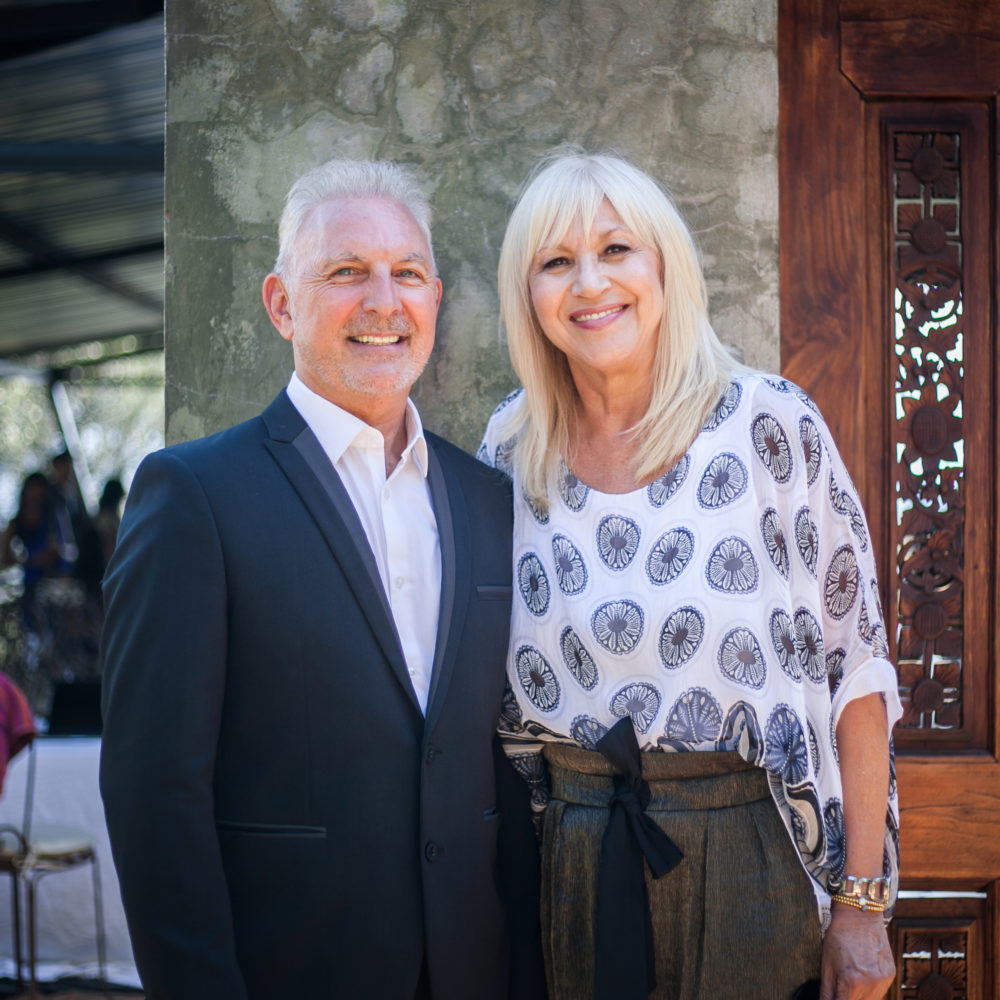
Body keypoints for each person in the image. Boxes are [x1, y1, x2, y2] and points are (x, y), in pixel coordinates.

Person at [100, 158, 542, 1000]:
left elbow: (501, 763)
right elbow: (153, 792)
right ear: (281, 305)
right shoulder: (193, 495)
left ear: (434, 300)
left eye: (406, 273)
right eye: (346, 272)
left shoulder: (488, 498)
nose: (383, 301)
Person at [479, 151, 901, 1000]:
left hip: (750, 848)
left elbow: (855, 671)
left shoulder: (769, 423)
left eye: (616, 249)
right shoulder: (510, 448)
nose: (590, 283)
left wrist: (863, 907)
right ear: (527, 295)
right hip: (573, 853)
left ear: (665, 266)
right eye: (556, 262)